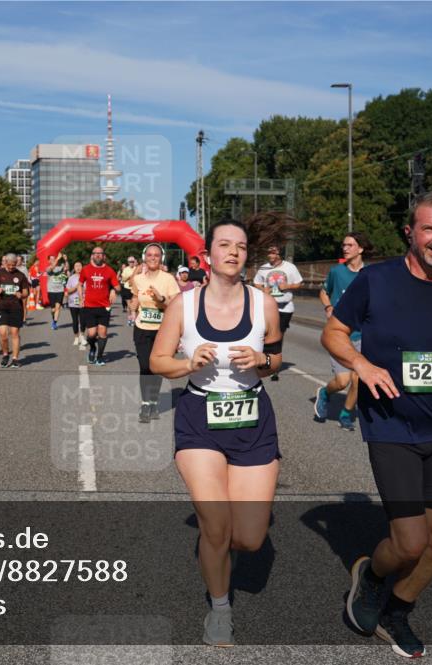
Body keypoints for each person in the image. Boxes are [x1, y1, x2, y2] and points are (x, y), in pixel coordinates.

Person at [322, 192, 432, 658]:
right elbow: (333, 332)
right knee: (410, 542)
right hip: (391, 428)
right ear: (410, 232)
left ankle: (397, 611)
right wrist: (361, 364)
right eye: (429, 229)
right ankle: (372, 576)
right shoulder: (376, 280)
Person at [150, 214, 287, 647]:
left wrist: (261, 362)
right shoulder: (184, 305)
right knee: (215, 526)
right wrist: (187, 363)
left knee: (248, 538)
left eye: (241, 246)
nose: (233, 252)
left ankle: (223, 553)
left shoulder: (263, 304)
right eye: (225, 244)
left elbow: (276, 360)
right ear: (207, 254)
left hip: (253, 420)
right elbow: (157, 361)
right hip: (199, 420)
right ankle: (220, 608)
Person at [315, 233, 371, 430]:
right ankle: (325, 393)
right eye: (344, 245)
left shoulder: (369, 274)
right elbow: (323, 292)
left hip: (362, 334)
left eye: (350, 245)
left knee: (358, 378)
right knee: (342, 381)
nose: (345, 248)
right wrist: (328, 307)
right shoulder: (337, 272)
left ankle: (346, 414)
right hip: (339, 335)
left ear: (360, 249)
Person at [129, 243, 181, 422]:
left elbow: (176, 305)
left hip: (162, 331)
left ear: (161, 258)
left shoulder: (168, 279)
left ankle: (153, 402)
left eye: (156, 255)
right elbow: (135, 297)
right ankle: (145, 403)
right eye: (150, 255)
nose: (153, 258)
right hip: (142, 328)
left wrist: (162, 299)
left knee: (157, 367)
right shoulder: (138, 279)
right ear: (145, 257)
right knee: (145, 366)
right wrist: (133, 306)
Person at [253, 244, 302, 381]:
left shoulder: (290, 267)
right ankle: (264, 359)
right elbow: (257, 282)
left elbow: (299, 283)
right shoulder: (263, 268)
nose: (270, 255)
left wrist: (287, 286)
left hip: (285, 307)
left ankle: (274, 366)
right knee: (264, 334)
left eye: (273, 253)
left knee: (278, 336)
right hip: (267, 307)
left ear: (280, 253)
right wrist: (263, 289)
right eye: (269, 253)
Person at [79, 246, 120, 366]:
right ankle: (92, 348)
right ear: (92, 256)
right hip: (89, 306)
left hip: (104, 306)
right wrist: (81, 297)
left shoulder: (109, 271)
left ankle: (100, 357)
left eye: (100, 253)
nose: (97, 255)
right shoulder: (86, 269)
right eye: (95, 253)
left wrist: (113, 290)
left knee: (102, 332)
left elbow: (118, 287)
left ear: (104, 256)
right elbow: (80, 284)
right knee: (91, 334)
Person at [0, 253, 29, 368]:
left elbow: (26, 292)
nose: (11, 267)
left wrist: (21, 295)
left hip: (16, 308)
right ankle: (5, 354)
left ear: (16, 263)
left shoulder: (21, 275)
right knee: (3, 334)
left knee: (14, 333)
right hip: (2, 307)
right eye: (9, 265)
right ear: (5, 263)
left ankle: (15, 358)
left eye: (13, 265)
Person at [65, 260, 86, 348]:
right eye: (76, 266)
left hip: (83, 301)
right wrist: (77, 286)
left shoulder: (86, 277)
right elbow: (68, 291)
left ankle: (82, 335)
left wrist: (82, 288)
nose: (78, 267)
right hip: (73, 301)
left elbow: (89, 289)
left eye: (79, 265)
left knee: (83, 320)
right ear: (74, 268)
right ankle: (76, 337)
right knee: (75, 321)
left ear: (82, 267)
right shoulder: (71, 278)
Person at [46, 253, 69, 330]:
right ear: (49, 261)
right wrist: (58, 258)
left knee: (58, 307)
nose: (53, 260)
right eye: (52, 259)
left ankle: (55, 323)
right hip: (51, 290)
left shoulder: (60, 267)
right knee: (53, 309)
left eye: (54, 259)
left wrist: (66, 260)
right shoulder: (48, 268)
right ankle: (53, 318)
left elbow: (67, 268)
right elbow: (51, 268)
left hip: (60, 290)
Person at [120, 256, 139, 326]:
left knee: (135, 305)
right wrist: (129, 277)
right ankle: (130, 319)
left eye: (133, 262)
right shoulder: (126, 269)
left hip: (134, 289)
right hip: (127, 288)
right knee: (129, 305)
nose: (131, 263)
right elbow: (123, 279)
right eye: (130, 262)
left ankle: (134, 320)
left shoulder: (137, 269)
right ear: (128, 262)